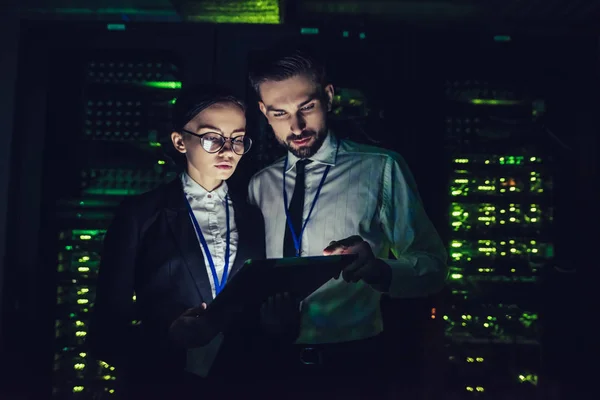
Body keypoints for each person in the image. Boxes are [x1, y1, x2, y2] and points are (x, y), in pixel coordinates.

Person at [247, 45, 448, 398]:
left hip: (356, 365)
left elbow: (433, 267)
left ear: (328, 97)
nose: (295, 126)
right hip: (271, 363)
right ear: (264, 112)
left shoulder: (381, 168)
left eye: (306, 107)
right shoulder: (259, 185)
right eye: (279, 113)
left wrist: (378, 270)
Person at [88, 84, 265, 399]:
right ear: (179, 141)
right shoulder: (140, 215)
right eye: (212, 138)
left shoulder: (255, 214)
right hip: (163, 384)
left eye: (238, 140)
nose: (228, 151)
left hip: (243, 382)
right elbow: (105, 330)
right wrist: (168, 338)